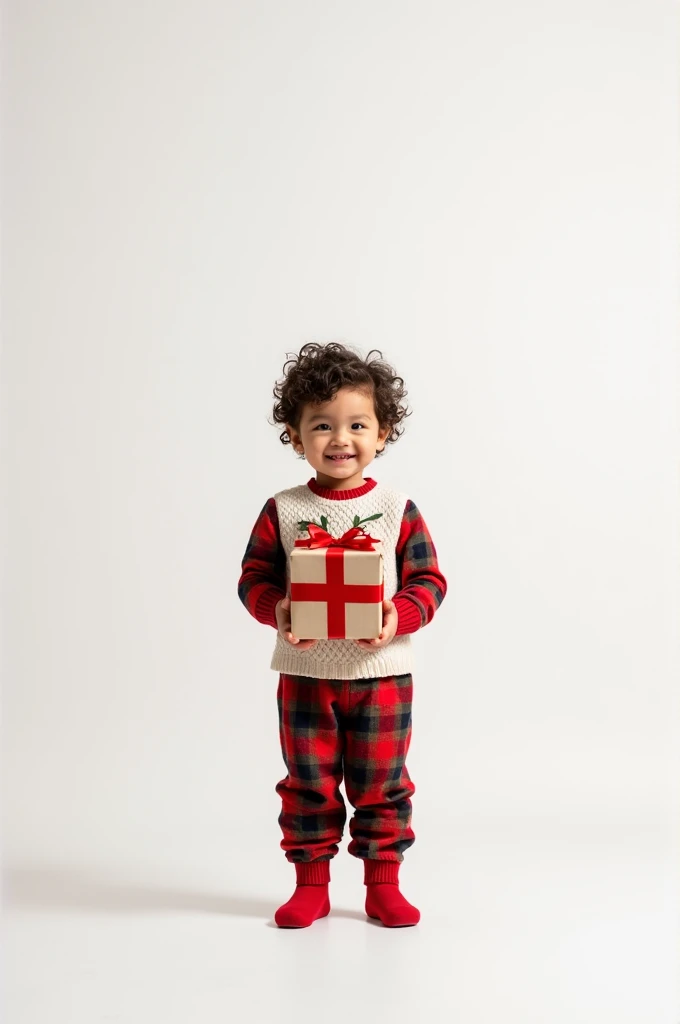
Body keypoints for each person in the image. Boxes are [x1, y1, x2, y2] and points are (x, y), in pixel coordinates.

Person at [237, 341, 447, 927]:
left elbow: (429, 580)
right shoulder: (283, 508)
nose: (339, 439)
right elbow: (253, 578)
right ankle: (311, 884)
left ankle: (383, 884)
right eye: (321, 425)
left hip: (382, 677)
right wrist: (277, 609)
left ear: (382, 434)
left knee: (382, 784)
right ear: (295, 435)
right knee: (308, 781)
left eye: (357, 424)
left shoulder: (396, 506)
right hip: (305, 675)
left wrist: (396, 616)